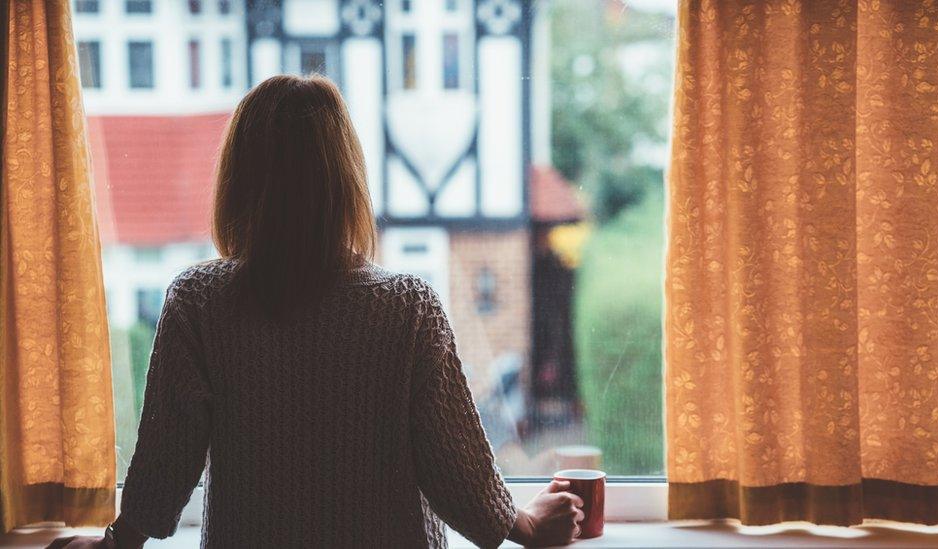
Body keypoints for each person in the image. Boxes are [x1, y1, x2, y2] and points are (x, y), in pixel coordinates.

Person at [48, 75, 583, 549]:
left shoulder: (199, 301)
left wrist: (118, 543)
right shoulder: (407, 308)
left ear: (237, 182)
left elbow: (167, 460)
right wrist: (527, 529)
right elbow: (457, 472)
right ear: (346, 182)